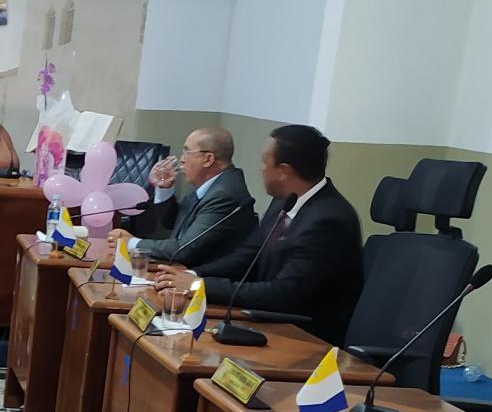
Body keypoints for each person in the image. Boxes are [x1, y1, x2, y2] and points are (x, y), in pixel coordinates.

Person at [150, 123, 364, 345]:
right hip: (264, 319)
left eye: (264, 161)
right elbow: (248, 256)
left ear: (284, 171)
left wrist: (199, 285)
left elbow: (282, 294)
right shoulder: (284, 200)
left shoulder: (329, 220)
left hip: (304, 337)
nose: (260, 168)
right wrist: (192, 276)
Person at [109, 126, 257, 270]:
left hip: (203, 281)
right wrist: (165, 188)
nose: (182, 160)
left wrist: (131, 243)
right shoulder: (214, 184)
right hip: (182, 271)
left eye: (187, 152)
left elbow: (184, 249)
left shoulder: (225, 194)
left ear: (208, 159)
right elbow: (173, 223)